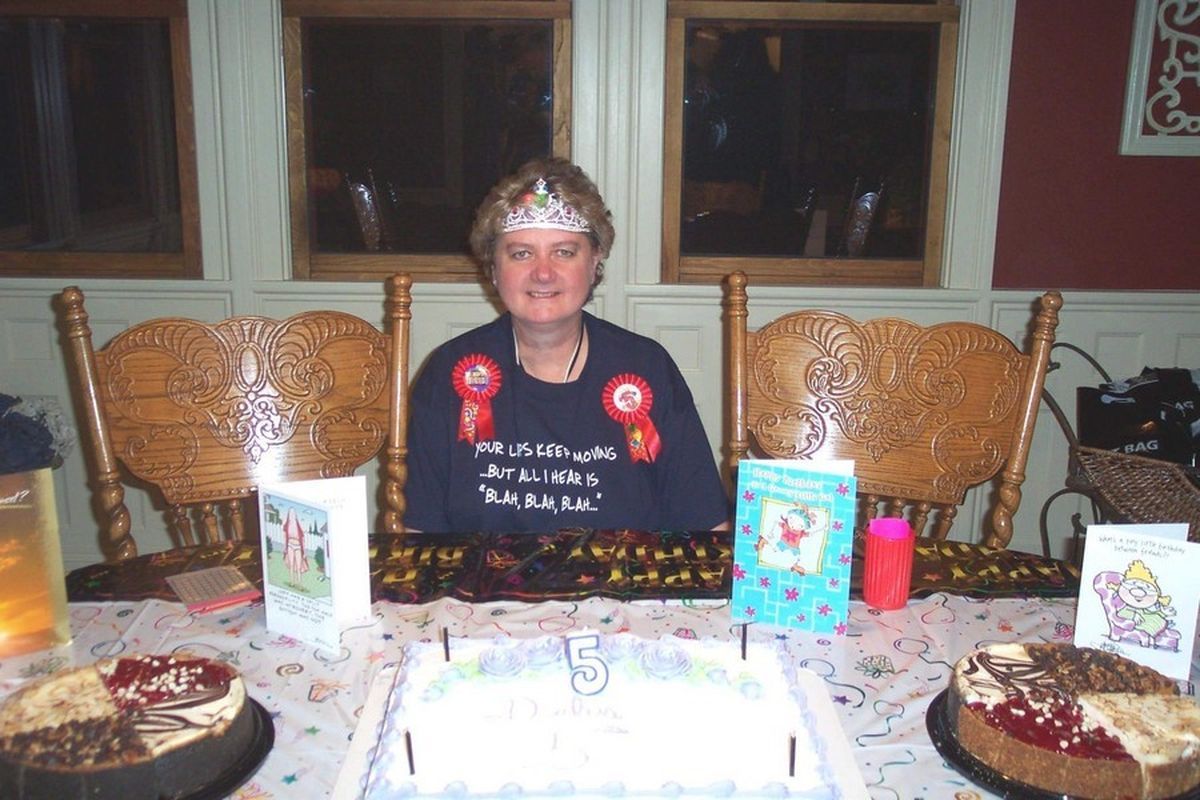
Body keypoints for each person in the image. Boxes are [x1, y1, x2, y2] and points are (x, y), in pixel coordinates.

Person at [404, 156, 730, 533]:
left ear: (594, 262)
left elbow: (706, 525)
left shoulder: (647, 368)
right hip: (479, 574)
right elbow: (420, 535)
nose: (543, 273)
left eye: (564, 252)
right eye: (521, 253)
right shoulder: (449, 371)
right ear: (493, 268)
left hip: (623, 573)